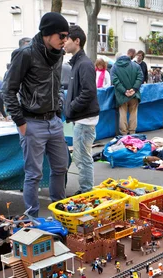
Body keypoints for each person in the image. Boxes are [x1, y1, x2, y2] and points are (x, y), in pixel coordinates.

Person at [2, 11, 70, 217]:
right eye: (62, 36)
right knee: (34, 174)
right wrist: (20, 122)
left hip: (54, 121)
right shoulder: (26, 54)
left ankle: (60, 211)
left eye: (67, 36)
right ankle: (32, 217)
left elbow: (56, 85)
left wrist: (58, 111)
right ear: (48, 34)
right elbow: (8, 90)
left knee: (61, 167)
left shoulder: (59, 54)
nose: (65, 40)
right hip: (32, 122)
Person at [64, 25, 100, 195]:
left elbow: (88, 92)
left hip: (85, 119)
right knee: (81, 156)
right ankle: (86, 189)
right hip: (82, 118)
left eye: (67, 39)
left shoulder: (84, 64)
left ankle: (86, 191)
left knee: (82, 157)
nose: (64, 43)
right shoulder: (78, 63)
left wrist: (71, 107)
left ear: (77, 41)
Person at [111, 51, 143, 135]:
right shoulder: (136, 66)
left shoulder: (114, 67)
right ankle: (132, 132)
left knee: (122, 114)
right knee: (133, 113)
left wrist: (124, 91)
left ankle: (124, 133)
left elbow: (115, 81)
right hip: (134, 95)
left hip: (122, 96)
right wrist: (134, 89)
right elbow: (140, 77)